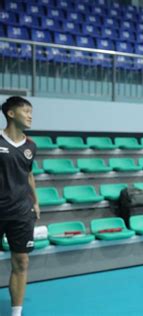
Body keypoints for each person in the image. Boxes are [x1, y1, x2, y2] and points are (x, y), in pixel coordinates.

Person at [0, 96, 39, 316]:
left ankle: (16, 313)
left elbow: (29, 174)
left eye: (31, 112)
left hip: (21, 211)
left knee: (22, 261)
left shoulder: (31, 146)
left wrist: (36, 201)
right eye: (26, 111)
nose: (30, 115)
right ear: (11, 113)